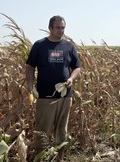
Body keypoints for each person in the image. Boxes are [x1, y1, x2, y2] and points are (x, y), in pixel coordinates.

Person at [26, 15, 81, 161]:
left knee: (61, 131)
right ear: (50, 28)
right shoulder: (39, 45)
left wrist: (71, 78)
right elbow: (30, 66)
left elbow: (77, 67)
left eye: (63, 28)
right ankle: (40, 158)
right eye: (57, 27)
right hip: (44, 96)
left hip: (65, 96)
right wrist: (30, 86)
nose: (60, 30)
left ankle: (60, 159)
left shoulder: (69, 46)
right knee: (42, 132)